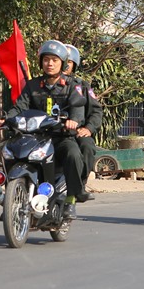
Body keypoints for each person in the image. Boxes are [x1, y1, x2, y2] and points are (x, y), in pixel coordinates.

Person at [0, 40, 89, 217]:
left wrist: (74, 121)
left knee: (73, 153)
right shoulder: (32, 85)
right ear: (41, 62)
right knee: (10, 150)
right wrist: (6, 119)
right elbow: (19, 107)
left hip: (60, 136)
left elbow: (78, 111)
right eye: (46, 59)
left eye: (54, 60)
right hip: (36, 137)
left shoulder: (72, 86)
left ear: (62, 63)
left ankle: (71, 199)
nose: (50, 63)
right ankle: (10, 199)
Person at [62, 43, 99, 199]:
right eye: (63, 61)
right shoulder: (42, 85)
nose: (65, 65)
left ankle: (80, 184)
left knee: (87, 147)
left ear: (74, 65)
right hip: (52, 131)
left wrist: (88, 128)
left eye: (69, 62)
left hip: (78, 131)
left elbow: (96, 111)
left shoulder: (82, 86)